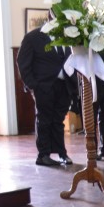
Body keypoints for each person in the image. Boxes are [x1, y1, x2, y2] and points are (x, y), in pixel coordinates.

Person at [17, 25, 74, 166]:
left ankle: (62, 153)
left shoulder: (67, 36)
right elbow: (22, 62)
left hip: (64, 86)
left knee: (58, 121)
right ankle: (43, 155)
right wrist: (33, 85)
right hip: (43, 86)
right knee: (44, 120)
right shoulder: (33, 37)